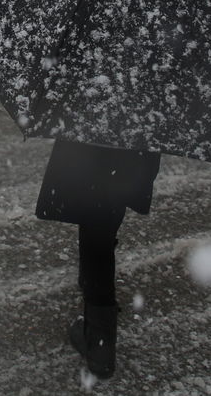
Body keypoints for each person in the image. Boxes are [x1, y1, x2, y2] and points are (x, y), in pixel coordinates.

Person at [36, 139, 160, 379]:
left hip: (96, 154)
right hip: (134, 153)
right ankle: (92, 293)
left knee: (96, 232)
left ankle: (100, 346)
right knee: (108, 213)